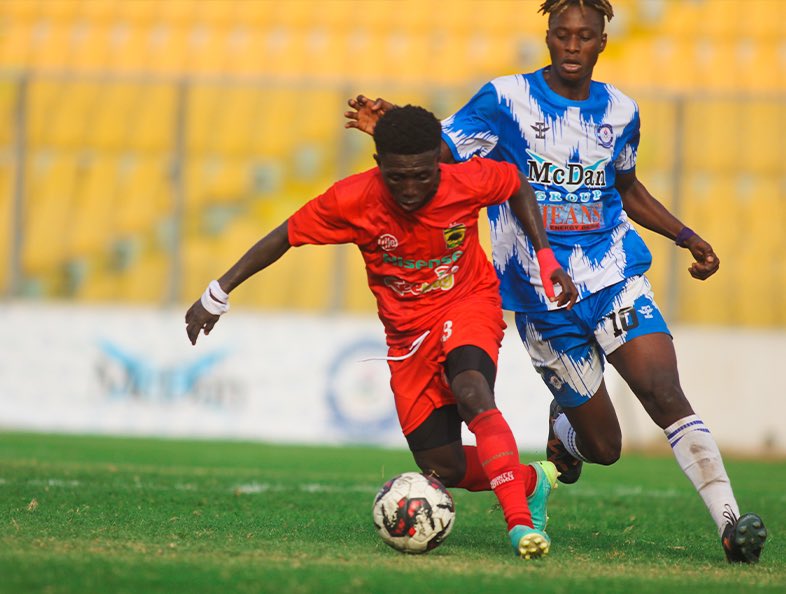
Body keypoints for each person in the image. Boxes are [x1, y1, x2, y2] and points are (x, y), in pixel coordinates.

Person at [343, 0, 766, 564]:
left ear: (601, 42)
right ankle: (566, 432)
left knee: (663, 389)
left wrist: (684, 234)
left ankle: (730, 524)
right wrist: (396, 129)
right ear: (548, 37)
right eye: (562, 34)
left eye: (583, 36)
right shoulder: (504, 100)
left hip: (613, 273)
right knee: (605, 448)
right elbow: (441, 153)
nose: (572, 45)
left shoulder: (621, 111)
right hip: (538, 296)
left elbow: (626, 185)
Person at [185, 105, 580, 558]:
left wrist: (546, 256)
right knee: (442, 465)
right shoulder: (352, 199)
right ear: (378, 166)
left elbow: (515, 184)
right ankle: (530, 482)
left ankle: (520, 526)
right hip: (406, 337)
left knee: (472, 390)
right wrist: (218, 292)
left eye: (421, 176)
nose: (410, 189)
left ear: (439, 160)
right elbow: (284, 235)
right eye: (397, 178)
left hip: (468, 302)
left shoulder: (465, 181)